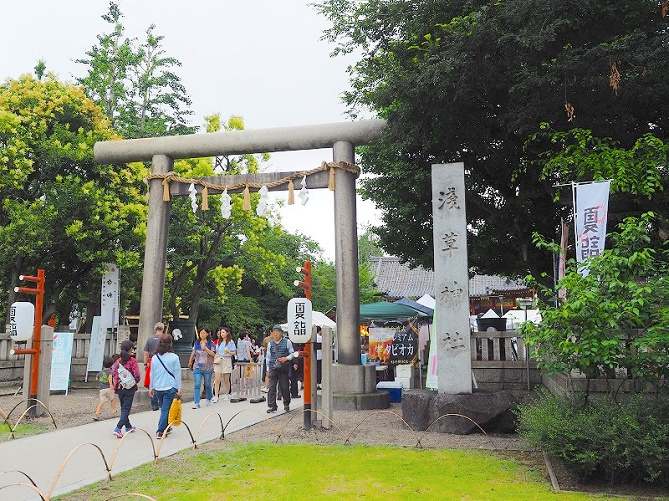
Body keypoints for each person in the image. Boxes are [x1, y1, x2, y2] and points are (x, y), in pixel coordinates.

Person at [149, 333, 182, 440]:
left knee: (164, 408)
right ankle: (160, 430)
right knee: (165, 409)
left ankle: (166, 427)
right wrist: (179, 387)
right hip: (170, 386)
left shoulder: (155, 357)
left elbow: (152, 373)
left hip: (158, 387)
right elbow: (177, 373)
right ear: (171, 344)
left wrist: (151, 387)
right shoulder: (174, 357)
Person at [111, 340, 140, 438]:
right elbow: (137, 375)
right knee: (126, 408)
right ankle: (118, 428)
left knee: (123, 407)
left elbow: (114, 374)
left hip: (120, 387)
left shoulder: (117, 361)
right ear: (130, 349)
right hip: (129, 387)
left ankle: (128, 426)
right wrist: (135, 382)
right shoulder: (132, 361)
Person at [266, 325, 296, 413]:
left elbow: (293, 353)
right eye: (273, 333)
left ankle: (286, 403)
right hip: (273, 366)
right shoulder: (270, 344)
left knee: (284, 386)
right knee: (272, 387)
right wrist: (268, 369)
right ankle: (272, 405)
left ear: (281, 333)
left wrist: (286, 358)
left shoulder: (287, 342)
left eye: (276, 333)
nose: (274, 335)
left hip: (283, 367)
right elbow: (268, 357)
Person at [188, 329, 215, 408]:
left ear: (207, 334)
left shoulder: (211, 343)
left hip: (208, 367)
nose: (202, 334)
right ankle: (196, 402)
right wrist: (190, 360)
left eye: (204, 333)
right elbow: (194, 352)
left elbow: (214, 354)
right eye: (201, 333)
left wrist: (206, 349)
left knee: (207, 384)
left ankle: (209, 398)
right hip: (197, 366)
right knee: (197, 384)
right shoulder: (197, 343)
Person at [143, 322, 164, 411]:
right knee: (162, 380)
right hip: (163, 360)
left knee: (152, 381)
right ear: (162, 329)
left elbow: (146, 353)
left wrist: (145, 363)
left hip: (152, 360)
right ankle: (161, 402)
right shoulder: (165, 338)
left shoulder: (150, 339)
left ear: (155, 329)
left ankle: (154, 404)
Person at [213, 327, 236, 402]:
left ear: (227, 333)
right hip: (219, 359)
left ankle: (227, 394)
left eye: (223, 332)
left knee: (226, 379)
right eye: (221, 332)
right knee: (217, 379)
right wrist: (214, 361)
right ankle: (216, 396)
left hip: (227, 359)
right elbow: (217, 352)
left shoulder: (231, 342)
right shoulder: (219, 342)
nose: (222, 334)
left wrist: (229, 352)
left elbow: (234, 352)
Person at [93, 356, 117, 421]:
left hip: (102, 389)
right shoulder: (110, 372)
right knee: (112, 398)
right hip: (108, 388)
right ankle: (113, 410)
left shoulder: (101, 372)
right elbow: (110, 377)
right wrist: (111, 384)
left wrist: (100, 380)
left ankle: (97, 412)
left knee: (102, 401)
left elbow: (96, 378)